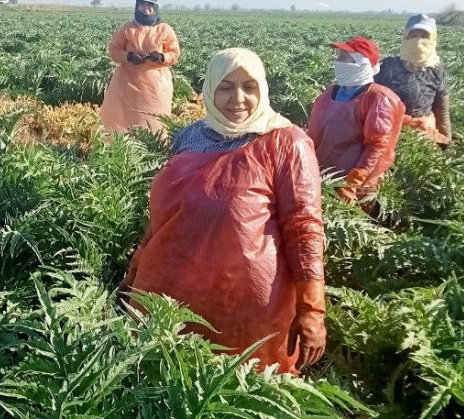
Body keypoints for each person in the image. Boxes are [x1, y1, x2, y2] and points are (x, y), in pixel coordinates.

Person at [119, 48, 326, 375]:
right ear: (210, 87)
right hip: (167, 296)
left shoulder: (286, 142)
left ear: (262, 88)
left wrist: (312, 309)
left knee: (235, 391)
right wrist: (136, 267)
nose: (238, 98)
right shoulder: (189, 137)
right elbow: (164, 215)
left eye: (249, 86)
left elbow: (304, 227)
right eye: (226, 86)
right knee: (162, 383)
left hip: (242, 307)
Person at [307, 37, 405, 204]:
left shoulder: (378, 98)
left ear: (363, 64)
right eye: (338, 57)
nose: (338, 62)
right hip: (323, 179)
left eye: (344, 58)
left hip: (354, 189)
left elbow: (377, 147)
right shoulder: (329, 93)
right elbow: (314, 135)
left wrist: (353, 183)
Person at [99, 0, 181, 135]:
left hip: (156, 86)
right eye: (143, 4)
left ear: (155, 7)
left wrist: (161, 57)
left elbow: (174, 53)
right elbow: (114, 50)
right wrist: (128, 56)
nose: (146, 8)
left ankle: (153, 148)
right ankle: (121, 147)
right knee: (122, 118)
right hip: (127, 82)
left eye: (150, 5)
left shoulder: (164, 29)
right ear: (137, 6)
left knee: (155, 121)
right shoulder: (127, 29)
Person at [374, 14, 451, 146]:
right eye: (414, 35)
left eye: (424, 36)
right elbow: (368, 99)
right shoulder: (387, 66)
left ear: (433, 40)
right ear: (405, 37)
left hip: (423, 136)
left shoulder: (436, 71)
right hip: (386, 133)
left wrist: (446, 140)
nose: (418, 40)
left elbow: (442, 111)